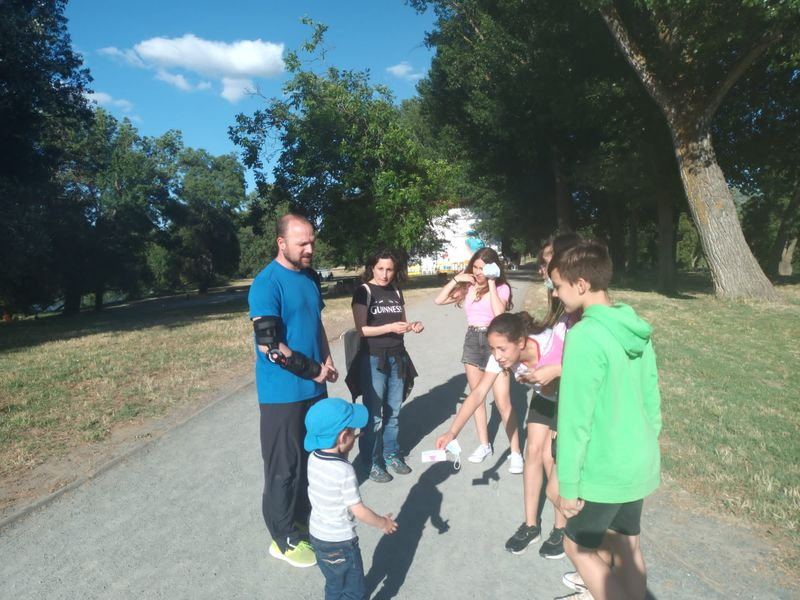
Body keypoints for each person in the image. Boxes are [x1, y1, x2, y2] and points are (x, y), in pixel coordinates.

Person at [550, 240, 662, 600]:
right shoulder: (634, 326)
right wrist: (647, 444)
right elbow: (651, 397)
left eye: (558, 286)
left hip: (605, 467)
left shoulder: (584, 336)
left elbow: (574, 421)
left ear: (580, 284)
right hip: (637, 459)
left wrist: (568, 487)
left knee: (577, 547)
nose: (555, 293)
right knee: (626, 548)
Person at [248, 213, 338, 569]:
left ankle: (301, 519)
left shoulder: (309, 279)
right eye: (302, 243)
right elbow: (269, 347)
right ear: (281, 243)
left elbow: (316, 325)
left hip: (314, 389)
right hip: (282, 393)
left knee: (311, 460)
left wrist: (328, 361)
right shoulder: (266, 283)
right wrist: (314, 370)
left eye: (312, 241)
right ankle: (281, 537)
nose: (310, 249)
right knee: (283, 468)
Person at [505, 232, 583, 559]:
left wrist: (553, 373)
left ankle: (560, 526)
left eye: (548, 261)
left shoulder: (580, 305)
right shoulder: (558, 302)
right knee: (532, 450)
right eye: (542, 263)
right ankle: (530, 524)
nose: (543, 269)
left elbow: (580, 360)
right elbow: (548, 340)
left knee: (554, 457)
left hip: (566, 396)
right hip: (545, 389)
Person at [434, 247, 522, 472]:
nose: (478, 272)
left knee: (503, 401)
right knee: (477, 398)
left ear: (493, 268)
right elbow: (439, 300)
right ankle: (485, 445)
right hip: (473, 340)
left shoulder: (501, 287)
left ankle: (515, 452)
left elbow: (500, 314)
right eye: (476, 267)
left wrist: (492, 282)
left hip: (495, 342)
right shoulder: (469, 287)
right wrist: (456, 279)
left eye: (483, 268)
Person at [305, 397, 398, 600]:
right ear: (343, 436)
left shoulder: (313, 458)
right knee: (354, 591)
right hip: (341, 543)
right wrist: (383, 523)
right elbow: (358, 510)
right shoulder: (344, 470)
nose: (356, 435)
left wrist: (344, 446)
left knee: (334, 584)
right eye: (354, 433)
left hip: (318, 536)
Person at [345, 249, 423, 483]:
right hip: (373, 360)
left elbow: (401, 322)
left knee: (394, 413)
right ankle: (370, 461)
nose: (385, 274)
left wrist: (413, 325)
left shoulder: (396, 291)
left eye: (389, 269)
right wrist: (390, 328)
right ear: (372, 268)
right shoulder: (364, 291)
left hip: (397, 358)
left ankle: (391, 454)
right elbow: (363, 330)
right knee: (374, 416)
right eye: (380, 268)